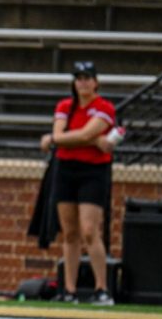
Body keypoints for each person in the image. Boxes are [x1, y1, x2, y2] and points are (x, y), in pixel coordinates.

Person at [39, 61, 120, 306]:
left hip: (93, 171)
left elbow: (81, 134)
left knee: (89, 230)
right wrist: (92, 140)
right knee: (70, 232)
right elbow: (78, 136)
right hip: (66, 169)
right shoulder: (66, 105)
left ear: (96, 82)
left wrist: (57, 139)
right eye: (79, 78)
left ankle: (102, 288)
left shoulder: (104, 107)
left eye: (87, 78)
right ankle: (69, 290)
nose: (83, 83)